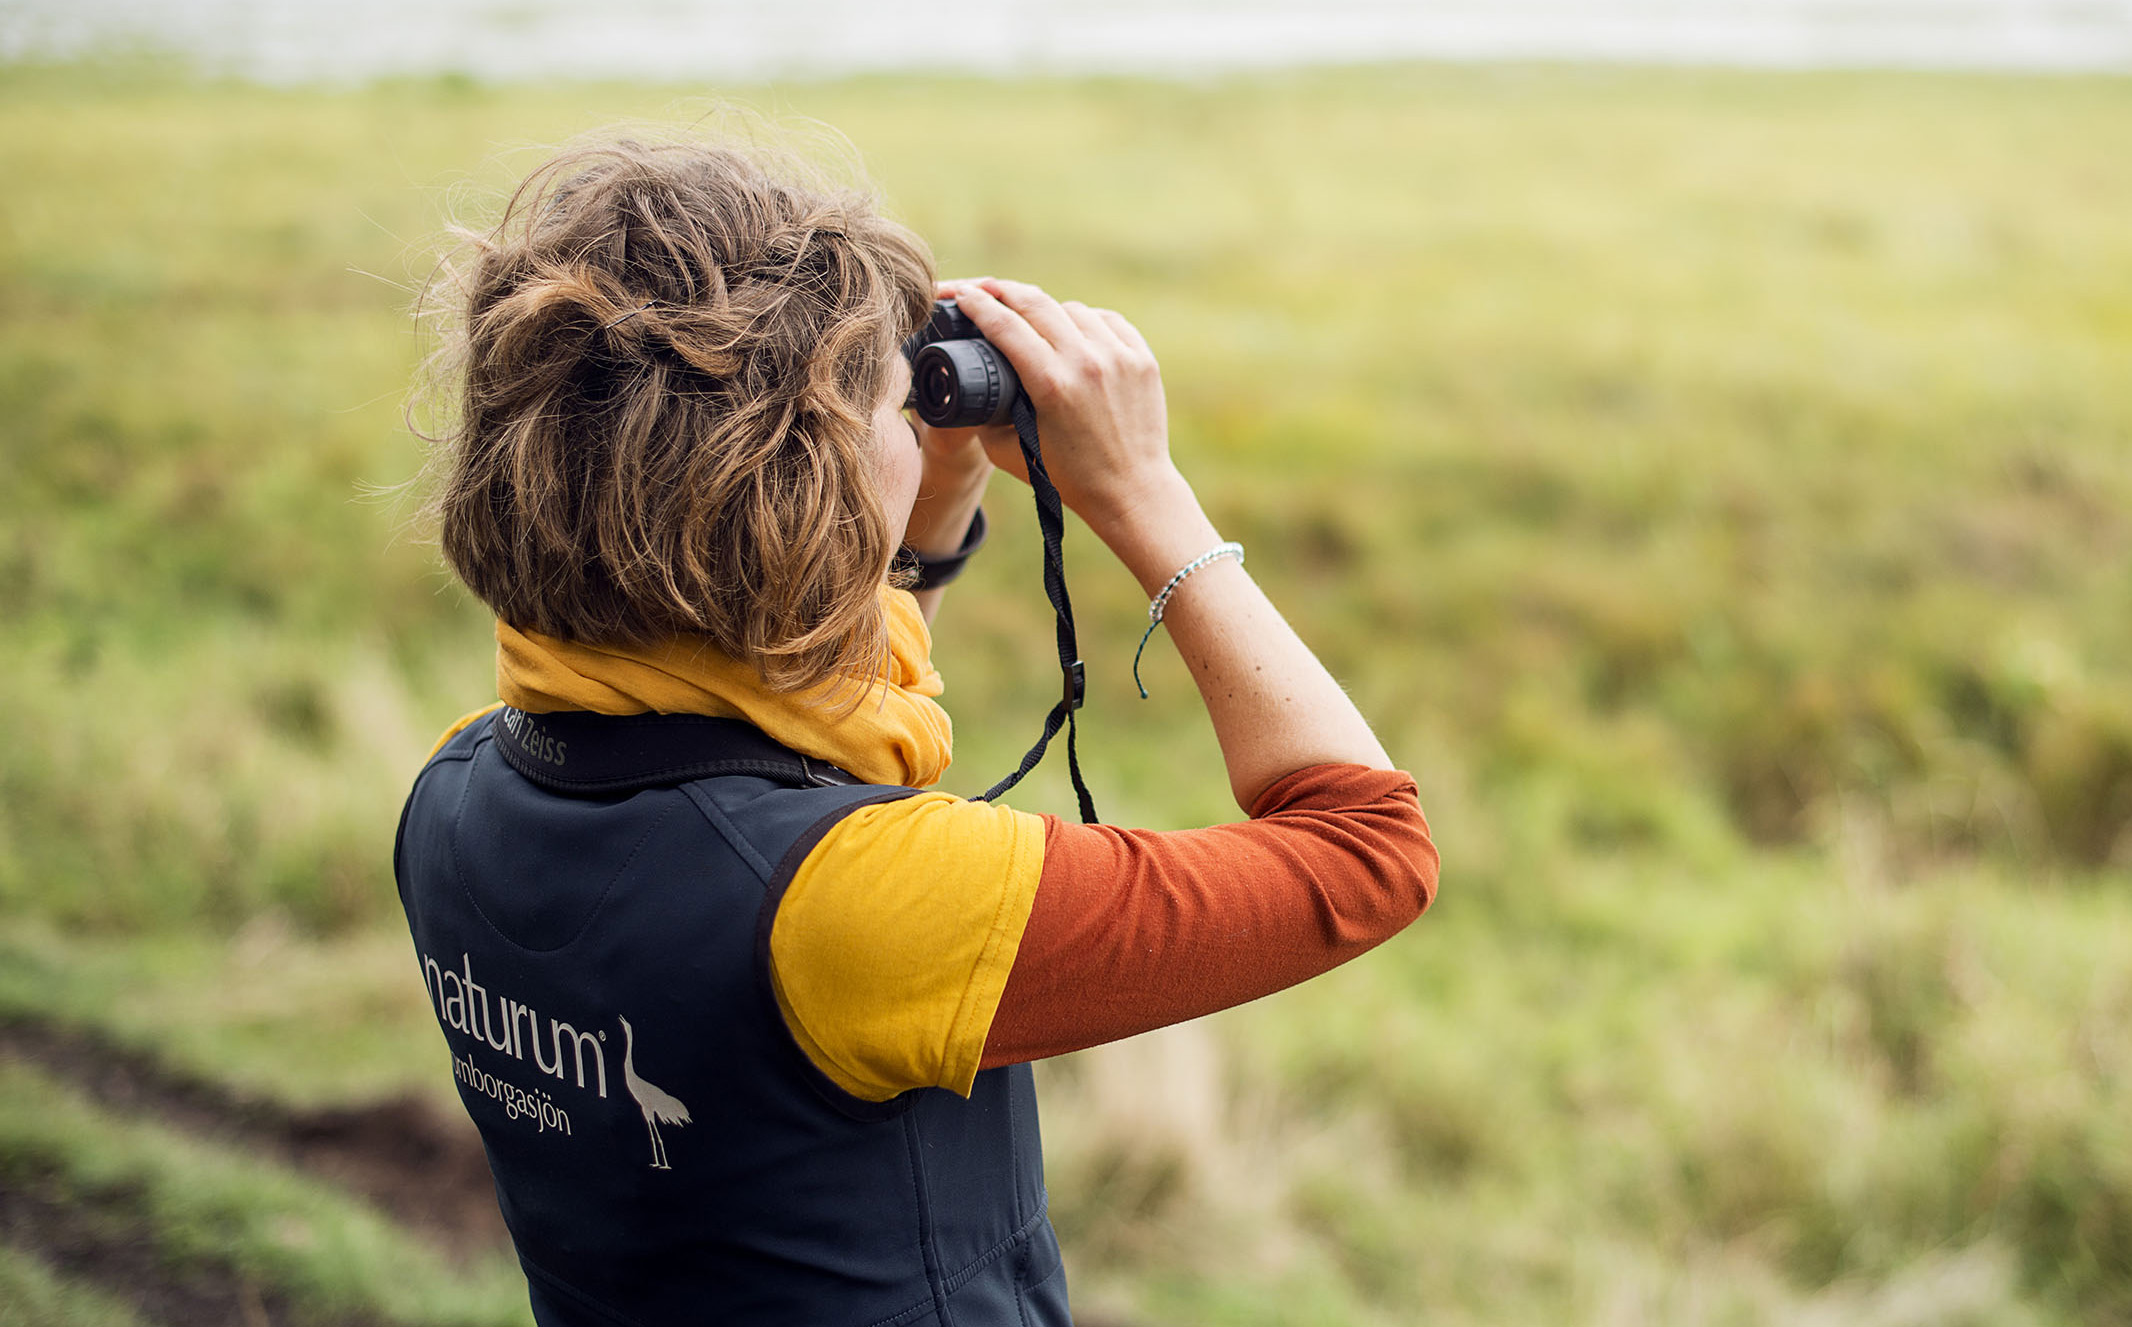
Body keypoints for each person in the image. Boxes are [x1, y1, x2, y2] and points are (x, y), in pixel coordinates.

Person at [395, 135, 1437, 1327]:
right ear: (801, 482)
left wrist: (930, 481)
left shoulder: (461, 788)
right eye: (892, 398)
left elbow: (781, 735)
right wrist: (1142, 490)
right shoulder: (849, 910)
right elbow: (1368, 852)